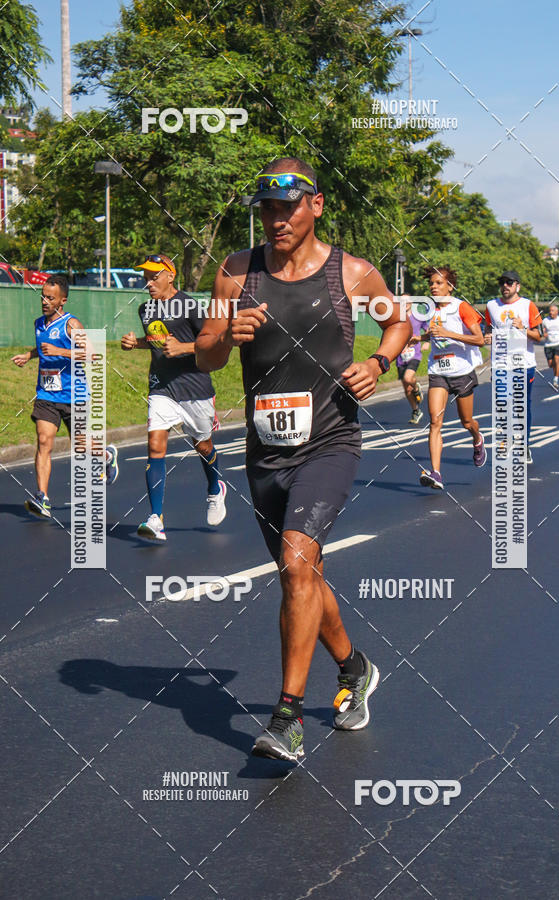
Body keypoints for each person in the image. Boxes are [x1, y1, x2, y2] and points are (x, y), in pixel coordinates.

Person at [194, 157, 410, 762]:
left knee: (294, 565)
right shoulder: (236, 273)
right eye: (266, 209)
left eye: (286, 208)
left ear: (315, 205)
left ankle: (287, 718)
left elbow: (401, 325)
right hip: (265, 451)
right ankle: (355, 669)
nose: (276, 220)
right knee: (304, 575)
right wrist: (225, 334)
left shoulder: (354, 273)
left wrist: (379, 362)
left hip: (330, 442)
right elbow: (207, 358)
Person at [120, 253, 226, 541]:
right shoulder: (145, 310)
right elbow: (158, 342)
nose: (149, 282)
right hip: (161, 387)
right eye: (146, 277)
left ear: (170, 275)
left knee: (203, 446)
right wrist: (136, 343)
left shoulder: (190, 305)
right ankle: (156, 518)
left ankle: (215, 488)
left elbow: (213, 341)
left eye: (154, 276)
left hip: (195, 388)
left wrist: (184, 349)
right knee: (155, 444)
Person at [11, 274, 118, 518]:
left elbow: (92, 355)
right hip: (47, 394)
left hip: (75, 394)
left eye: (50, 298)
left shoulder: (72, 325)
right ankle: (42, 497)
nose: (45, 301)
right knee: (44, 441)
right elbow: (42, 346)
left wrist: (61, 350)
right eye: (43, 296)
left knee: (80, 445)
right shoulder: (39, 323)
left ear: (63, 301)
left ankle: (107, 455)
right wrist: (29, 356)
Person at [417, 266, 486, 490]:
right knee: (435, 422)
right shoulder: (430, 308)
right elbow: (433, 333)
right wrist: (419, 338)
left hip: (461, 371)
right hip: (438, 370)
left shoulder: (461, 307)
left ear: (450, 286)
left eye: (438, 283)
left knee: (466, 421)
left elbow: (479, 339)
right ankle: (436, 473)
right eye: (431, 283)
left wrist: (448, 334)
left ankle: (477, 439)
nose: (433, 287)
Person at [484, 270, 542, 464]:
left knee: (522, 406)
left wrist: (522, 328)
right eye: (502, 282)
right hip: (500, 363)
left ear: (518, 286)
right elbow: (487, 332)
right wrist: (487, 338)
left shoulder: (528, 306)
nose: (505, 286)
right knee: (502, 401)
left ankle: (524, 446)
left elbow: (539, 336)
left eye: (509, 282)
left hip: (523, 364)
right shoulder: (492, 306)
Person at [396, 300, 427, 425]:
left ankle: (416, 387)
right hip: (401, 357)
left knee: (408, 378)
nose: (405, 303)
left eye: (408, 301)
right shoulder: (397, 319)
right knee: (406, 389)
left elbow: (428, 330)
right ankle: (416, 410)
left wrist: (426, 342)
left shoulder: (418, 318)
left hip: (415, 354)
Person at [542, 304, 559, 388]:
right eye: (550, 310)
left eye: (552, 311)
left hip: (558, 343)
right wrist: (543, 334)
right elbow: (542, 330)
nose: (550, 312)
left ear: (557, 312)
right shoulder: (545, 320)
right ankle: (555, 372)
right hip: (548, 344)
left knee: (557, 360)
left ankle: (556, 378)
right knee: (550, 364)